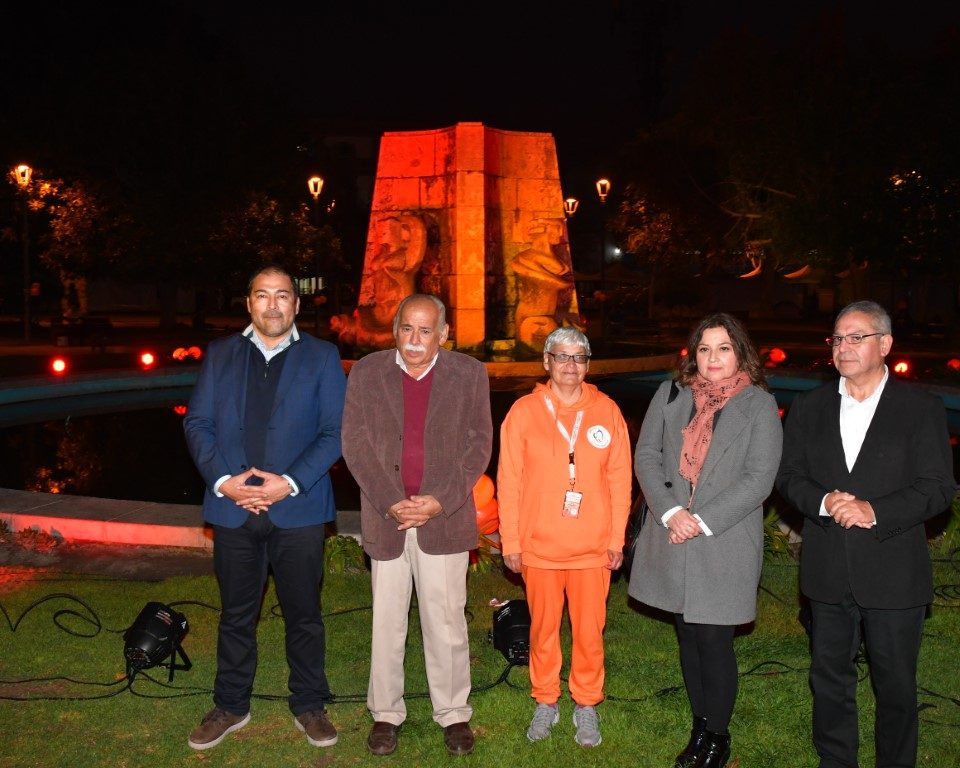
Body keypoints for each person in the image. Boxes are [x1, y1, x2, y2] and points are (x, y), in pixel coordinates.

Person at [776, 300, 956, 768]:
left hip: (894, 574)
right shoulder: (810, 406)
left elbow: (937, 489)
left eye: (856, 336)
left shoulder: (921, 408)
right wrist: (823, 501)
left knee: (895, 686)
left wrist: (875, 510)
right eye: (837, 338)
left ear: (885, 344)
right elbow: (789, 475)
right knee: (829, 681)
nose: (843, 347)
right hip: (827, 572)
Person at [183, 263, 346, 751]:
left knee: (304, 614)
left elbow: (335, 431)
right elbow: (198, 424)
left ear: (296, 304)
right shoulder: (220, 354)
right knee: (236, 614)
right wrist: (225, 482)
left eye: (282, 296)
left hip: (298, 510)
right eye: (262, 295)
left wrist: (288, 483)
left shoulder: (322, 356)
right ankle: (231, 704)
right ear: (248, 302)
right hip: (233, 509)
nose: (272, 305)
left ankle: (309, 703)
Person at [341, 293, 492, 757]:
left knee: (446, 622)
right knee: (387, 622)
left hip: (442, 519)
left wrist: (438, 501)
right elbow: (355, 443)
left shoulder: (469, 375)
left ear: (444, 335)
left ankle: (452, 713)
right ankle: (386, 713)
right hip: (387, 519)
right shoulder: (367, 372)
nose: (415, 339)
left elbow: (478, 445)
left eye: (426, 330)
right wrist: (391, 502)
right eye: (407, 328)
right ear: (395, 329)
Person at [629, 312, 782, 768]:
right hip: (671, 532)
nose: (713, 358)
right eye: (704, 349)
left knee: (713, 640)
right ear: (693, 353)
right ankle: (700, 725)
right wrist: (672, 512)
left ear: (740, 354)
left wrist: (702, 520)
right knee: (688, 636)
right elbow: (647, 454)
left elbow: (759, 479)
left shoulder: (758, 405)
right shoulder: (671, 394)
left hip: (724, 540)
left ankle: (717, 737)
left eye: (724, 348)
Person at [497, 326, 632, 747]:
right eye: (562, 356)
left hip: (592, 549)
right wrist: (513, 542)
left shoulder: (607, 411)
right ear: (546, 362)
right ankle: (546, 699)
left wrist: (616, 540)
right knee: (543, 630)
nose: (570, 366)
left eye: (579, 358)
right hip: (539, 548)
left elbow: (620, 480)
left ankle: (587, 703)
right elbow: (509, 481)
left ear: (587, 365)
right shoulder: (523, 411)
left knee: (590, 632)